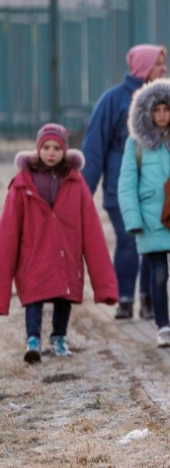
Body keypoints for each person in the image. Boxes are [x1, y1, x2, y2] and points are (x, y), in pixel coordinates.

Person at [0, 124, 119, 363]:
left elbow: (93, 233)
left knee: (63, 299)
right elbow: (9, 232)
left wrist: (104, 286)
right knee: (33, 298)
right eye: (46, 147)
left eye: (56, 148)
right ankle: (33, 339)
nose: (51, 152)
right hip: (33, 254)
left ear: (65, 151)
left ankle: (58, 338)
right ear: (38, 150)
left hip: (67, 254)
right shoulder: (23, 183)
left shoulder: (75, 182)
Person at [82, 44, 167, 321]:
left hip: (156, 191)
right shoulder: (114, 101)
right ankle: (125, 299)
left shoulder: (165, 100)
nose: (163, 70)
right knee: (129, 242)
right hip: (120, 189)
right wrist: (81, 194)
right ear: (143, 67)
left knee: (152, 244)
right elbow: (94, 149)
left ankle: (150, 300)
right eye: (158, 64)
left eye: (164, 64)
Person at [117, 78, 170, 348]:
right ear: (147, 113)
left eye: (167, 110)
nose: (162, 116)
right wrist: (133, 219)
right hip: (150, 218)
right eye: (156, 110)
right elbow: (127, 183)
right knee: (157, 274)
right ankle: (162, 325)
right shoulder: (137, 143)